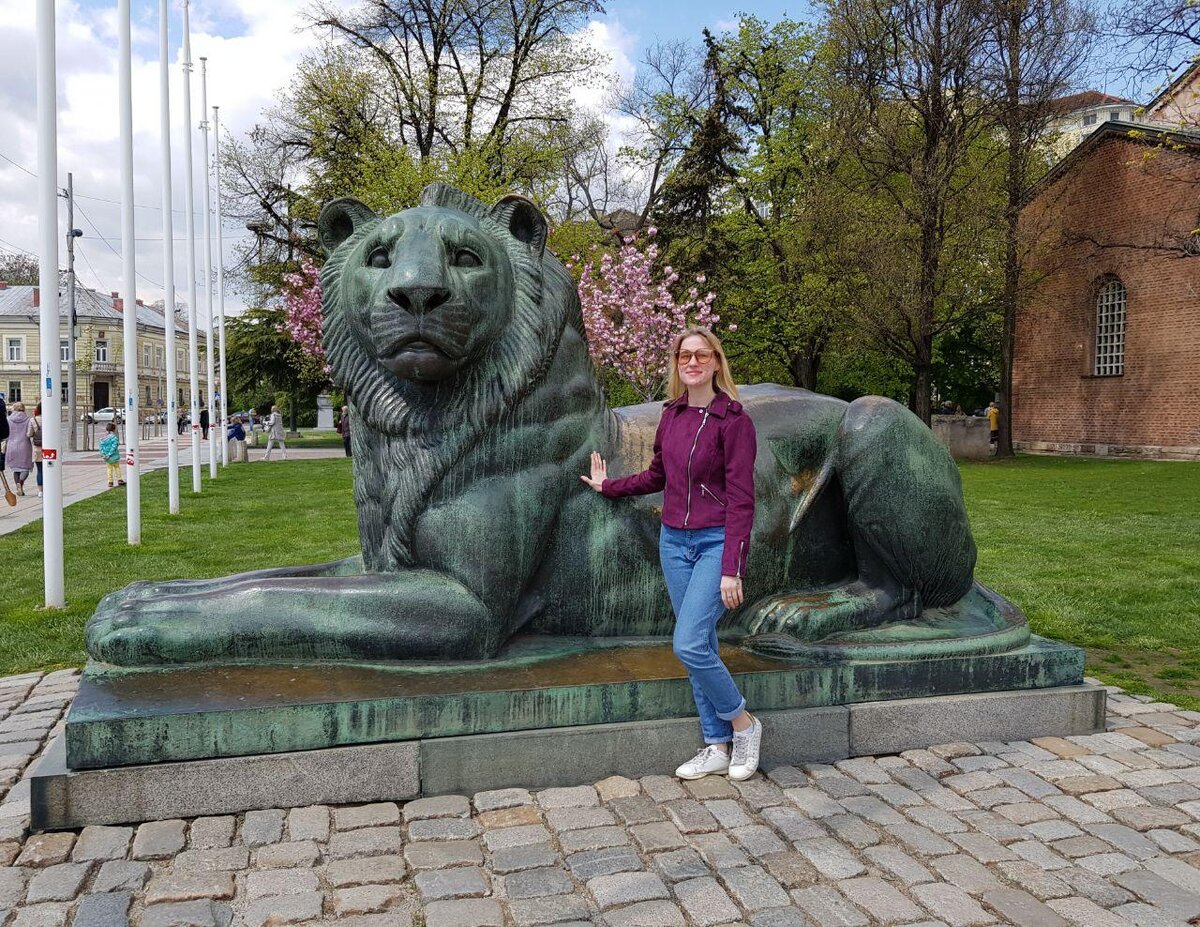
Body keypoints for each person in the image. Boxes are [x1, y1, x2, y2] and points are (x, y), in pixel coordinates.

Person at [581, 327, 762, 781]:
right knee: (699, 644)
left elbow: (742, 499)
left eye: (702, 355)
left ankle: (743, 724)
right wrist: (610, 487)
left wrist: (732, 569)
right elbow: (657, 475)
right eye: (686, 355)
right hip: (674, 544)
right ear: (678, 363)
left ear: (716, 363)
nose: (693, 362)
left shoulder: (733, 421)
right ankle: (715, 744)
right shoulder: (672, 415)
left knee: (687, 643)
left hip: (714, 541)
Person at [5, 402, 33, 497]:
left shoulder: (8, 419)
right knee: (25, 468)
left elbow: (5, 433)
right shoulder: (28, 420)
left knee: (15, 469)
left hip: (11, 445)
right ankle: (20, 483)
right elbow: (30, 433)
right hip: (24, 445)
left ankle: (18, 485)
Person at [99, 422, 123, 488]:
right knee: (117, 467)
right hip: (114, 456)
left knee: (109, 469)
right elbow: (114, 446)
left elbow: (101, 447)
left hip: (106, 457)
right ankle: (119, 479)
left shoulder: (103, 438)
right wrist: (110, 454)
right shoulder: (114, 437)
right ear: (114, 429)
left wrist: (103, 454)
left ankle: (110, 482)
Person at [29, 403, 43, 497]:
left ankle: (40, 491)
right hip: (50, 449)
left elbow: (29, 434)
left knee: (40, 470)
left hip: (37, 448)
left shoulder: (33, 420)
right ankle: (50, 488)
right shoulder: (51, 417)